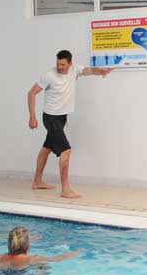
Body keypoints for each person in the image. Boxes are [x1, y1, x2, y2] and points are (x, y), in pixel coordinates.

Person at [27, 49, 113, 198]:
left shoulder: (75, 69)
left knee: (47, 148)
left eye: (63, 65)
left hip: (61, 119)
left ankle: (37, 181)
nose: (60, 67)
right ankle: (65, 189)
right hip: (51, 118)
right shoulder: (49, 75)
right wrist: (32, 117)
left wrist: (101, 71)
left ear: (70, 63)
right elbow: (31, 93)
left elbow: (89, 70)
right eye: (58, 64)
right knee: (66, 150)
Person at [0, 226, 79, 269]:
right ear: (28, 246)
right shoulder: (33, 258)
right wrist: (75, 252)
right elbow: (56, 259)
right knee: (43, 266)